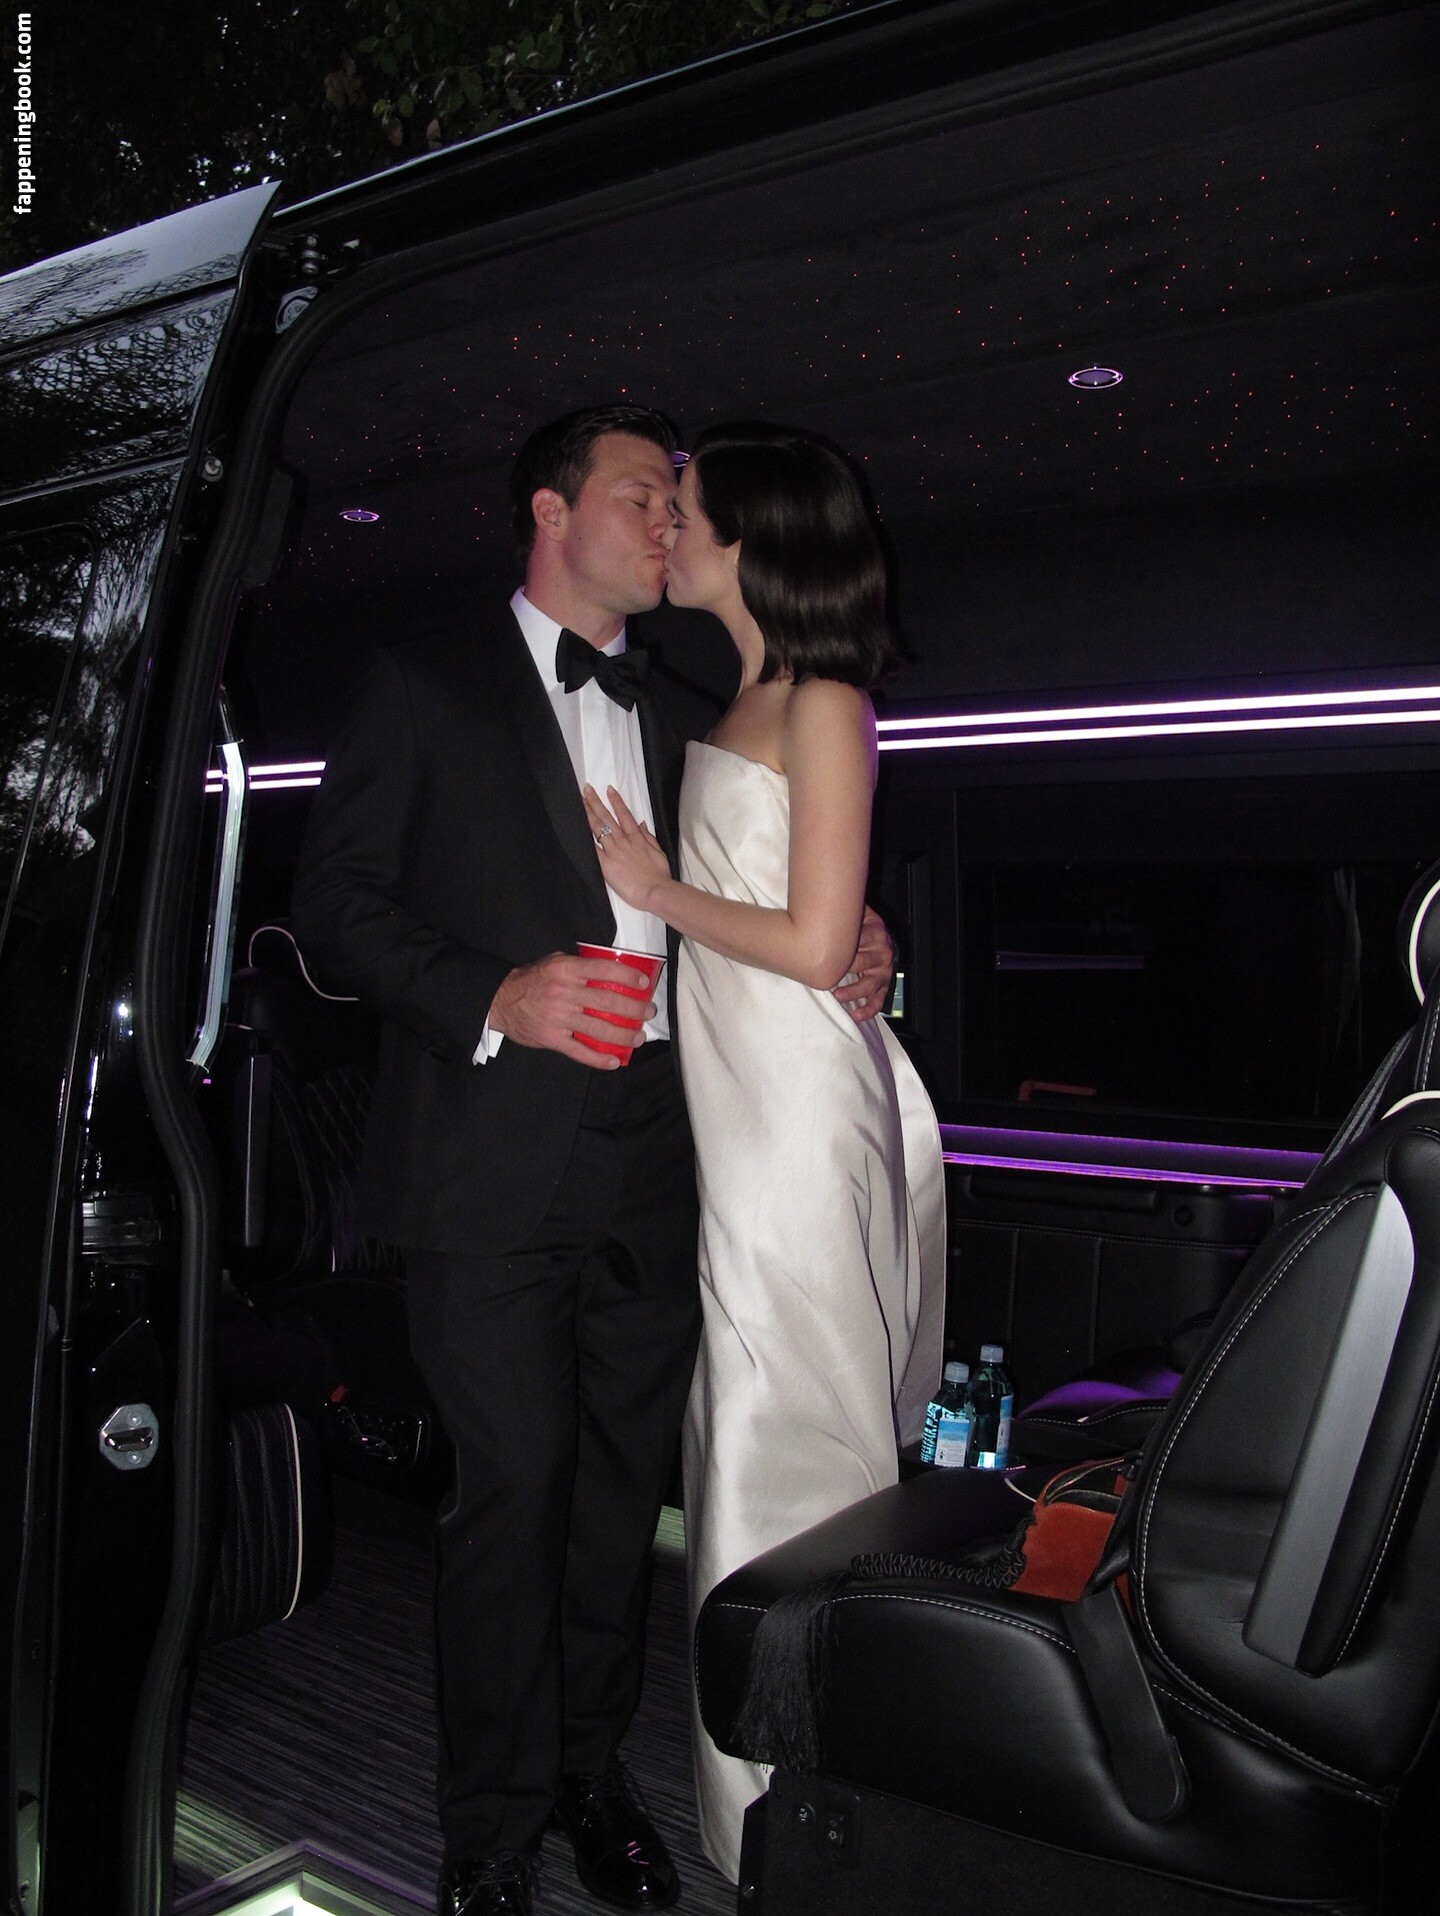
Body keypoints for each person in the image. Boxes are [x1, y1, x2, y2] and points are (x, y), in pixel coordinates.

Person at [289, 404, 897, 1916]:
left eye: (680, 504)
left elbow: (770, 881)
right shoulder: (419, 683)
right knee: (514, 1491)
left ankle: (585, 1769)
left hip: (666, 1148)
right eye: (643, 496)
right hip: (489, 1158)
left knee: (624, 1497)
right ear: (552, 513)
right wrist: (494, 994)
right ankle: (490, 1832)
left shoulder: (696, 697)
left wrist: (859, 939)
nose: (668, 522)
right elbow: (338, 912)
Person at [581, 421, 946, 1884]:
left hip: (791, 1114)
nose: (669, 531)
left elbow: (807, 939)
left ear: (753, 540)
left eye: (688, 511)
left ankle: (799, 1817)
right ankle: (783, 1801)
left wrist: (662, 885)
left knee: (778, 1426)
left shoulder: (826, 698)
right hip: (739, 1109)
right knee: (742, 1416)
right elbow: (820, 911)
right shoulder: (733, 697)